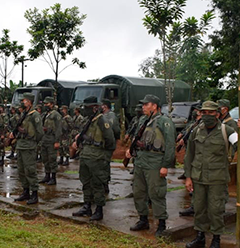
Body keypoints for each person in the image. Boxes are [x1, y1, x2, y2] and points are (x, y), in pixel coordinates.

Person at [184, 101, 238, 248]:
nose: (207, 116)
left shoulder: (227, 131)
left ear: (218, 114)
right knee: (199, 208)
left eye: (211, 113)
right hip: (199, 178)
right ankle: (200, 236)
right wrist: (188, 177)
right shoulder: (196, 131)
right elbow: (189, 155)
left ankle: (216, 239)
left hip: (217, 179)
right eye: (204, 113)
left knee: (215, 210)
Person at [127, 95, 176, 237]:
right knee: (139, 192)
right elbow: (136, 138)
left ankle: (161, 223)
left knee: (156, 193)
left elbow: (170, 145)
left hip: (155, 161)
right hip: (141, 160)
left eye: (146, 104)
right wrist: (131, 150)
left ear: (154, 106)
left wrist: (166, 165)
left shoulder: (164, 122)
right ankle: (143, 219)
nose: (143, 107)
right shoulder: (143, 120)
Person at [71, 96, 117, 221]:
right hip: (86, 155)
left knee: (97, 184)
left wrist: (104, 157)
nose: (84, 110)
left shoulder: (102, 120)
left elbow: (110, 142)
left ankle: (99, 209)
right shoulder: (89, 120)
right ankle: (87, 206)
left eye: (87, 108)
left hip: (97, 158)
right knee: (85, 182)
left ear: (95, 108)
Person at [12, 93, 44, 204]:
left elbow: (40, 133)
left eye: (24, 100)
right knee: (21, 170)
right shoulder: (24, 114)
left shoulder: (35, 115)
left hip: (29, 146)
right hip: (21, 145)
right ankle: (25, 191)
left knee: (30, 170)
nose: (22, 102)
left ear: (29, 102)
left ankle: (34, 194)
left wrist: (32, 141)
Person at [39, 96, 62, 185]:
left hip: (52, 139)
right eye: (45, 104)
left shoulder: (56, 115)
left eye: (47, 103)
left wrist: (57, 141)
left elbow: (59, 129)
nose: (45, 105)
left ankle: (53, 177)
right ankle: (47, 175)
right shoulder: (45, 114)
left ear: (52, 104)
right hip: (44, 139)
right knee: (45, 158)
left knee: (52, 159)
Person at [101, 99, 120, 194]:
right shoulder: (103, 116)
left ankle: (105, 184)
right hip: (103, 144)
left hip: (108, 143)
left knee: (105, 164)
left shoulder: (111, 116)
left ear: (105, 106)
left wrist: (114, 140)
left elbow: (116, 130)